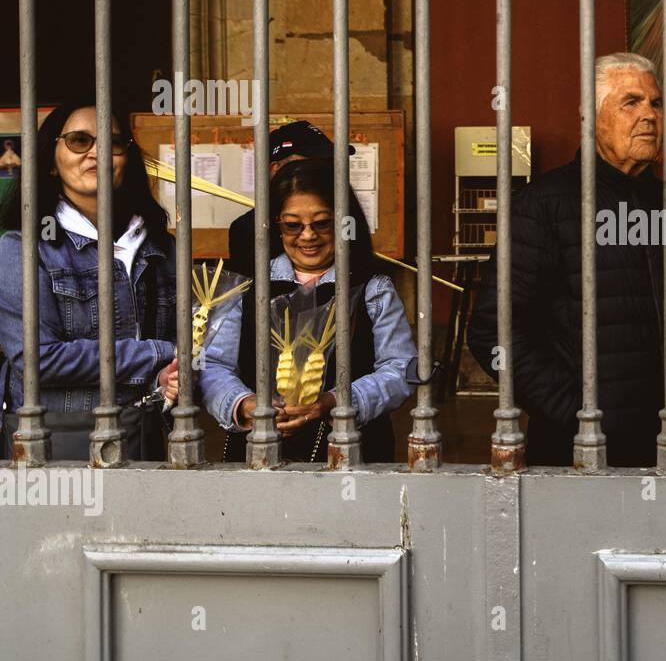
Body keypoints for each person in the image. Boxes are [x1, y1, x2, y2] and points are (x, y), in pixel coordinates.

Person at [468, 52, 666, 467]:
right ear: (592, 117)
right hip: (579, 447)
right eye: (631, 102)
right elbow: (494, 331)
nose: (649, 115)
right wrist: (576, 413)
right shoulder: (542, 205)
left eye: (657, 103)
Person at [197, 159, 413, 463]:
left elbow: (400, 368)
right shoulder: (248, 287)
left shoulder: (372, 288)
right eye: (293, 225)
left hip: (350, 452)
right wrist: (244, 403)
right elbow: (214, 364)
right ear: (276, 225)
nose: (308, 236)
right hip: (258, 451)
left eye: (322, 223)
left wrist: (335, 402)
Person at [0, 101, 178, 460]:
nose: (96, 152)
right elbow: (37, 360)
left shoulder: (158, 245)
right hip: (58, 441)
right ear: (51, 162)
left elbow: (183, 339)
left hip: (144, 434)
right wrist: (157, 353)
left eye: (112, 143)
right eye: (79, 141)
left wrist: (168, 376)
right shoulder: (22, 247)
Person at [225, 121, 353, 277]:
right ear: (276, 170)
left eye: (329, 164)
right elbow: (248, 294)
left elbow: (356, 271)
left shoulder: (345, 216)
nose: (308, 235)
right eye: (312, 164)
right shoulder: (249, 228)